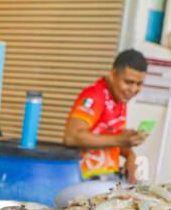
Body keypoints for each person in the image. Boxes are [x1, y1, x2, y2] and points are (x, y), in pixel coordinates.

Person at [63, 49, 149, 185]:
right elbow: (72, 137)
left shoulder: (119, 99)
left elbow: (108, 139)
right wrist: (120, 140)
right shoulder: (95, 96)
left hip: (106, 179)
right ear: (113, 74)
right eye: (128, 82)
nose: (133, 90)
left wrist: (130, 155)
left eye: (139, 84)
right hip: (83, 182)